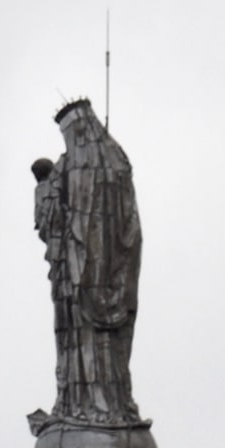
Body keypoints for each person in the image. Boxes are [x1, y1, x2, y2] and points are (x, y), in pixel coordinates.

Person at [33, 99, 141, 424]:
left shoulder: (109, 165)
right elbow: (49, 224)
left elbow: (126, 226)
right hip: (70, 272)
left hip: (104, 272)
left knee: (101, 340)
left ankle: (106, 405)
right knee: (73, 334)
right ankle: (75, 399)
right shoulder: (73, 167)